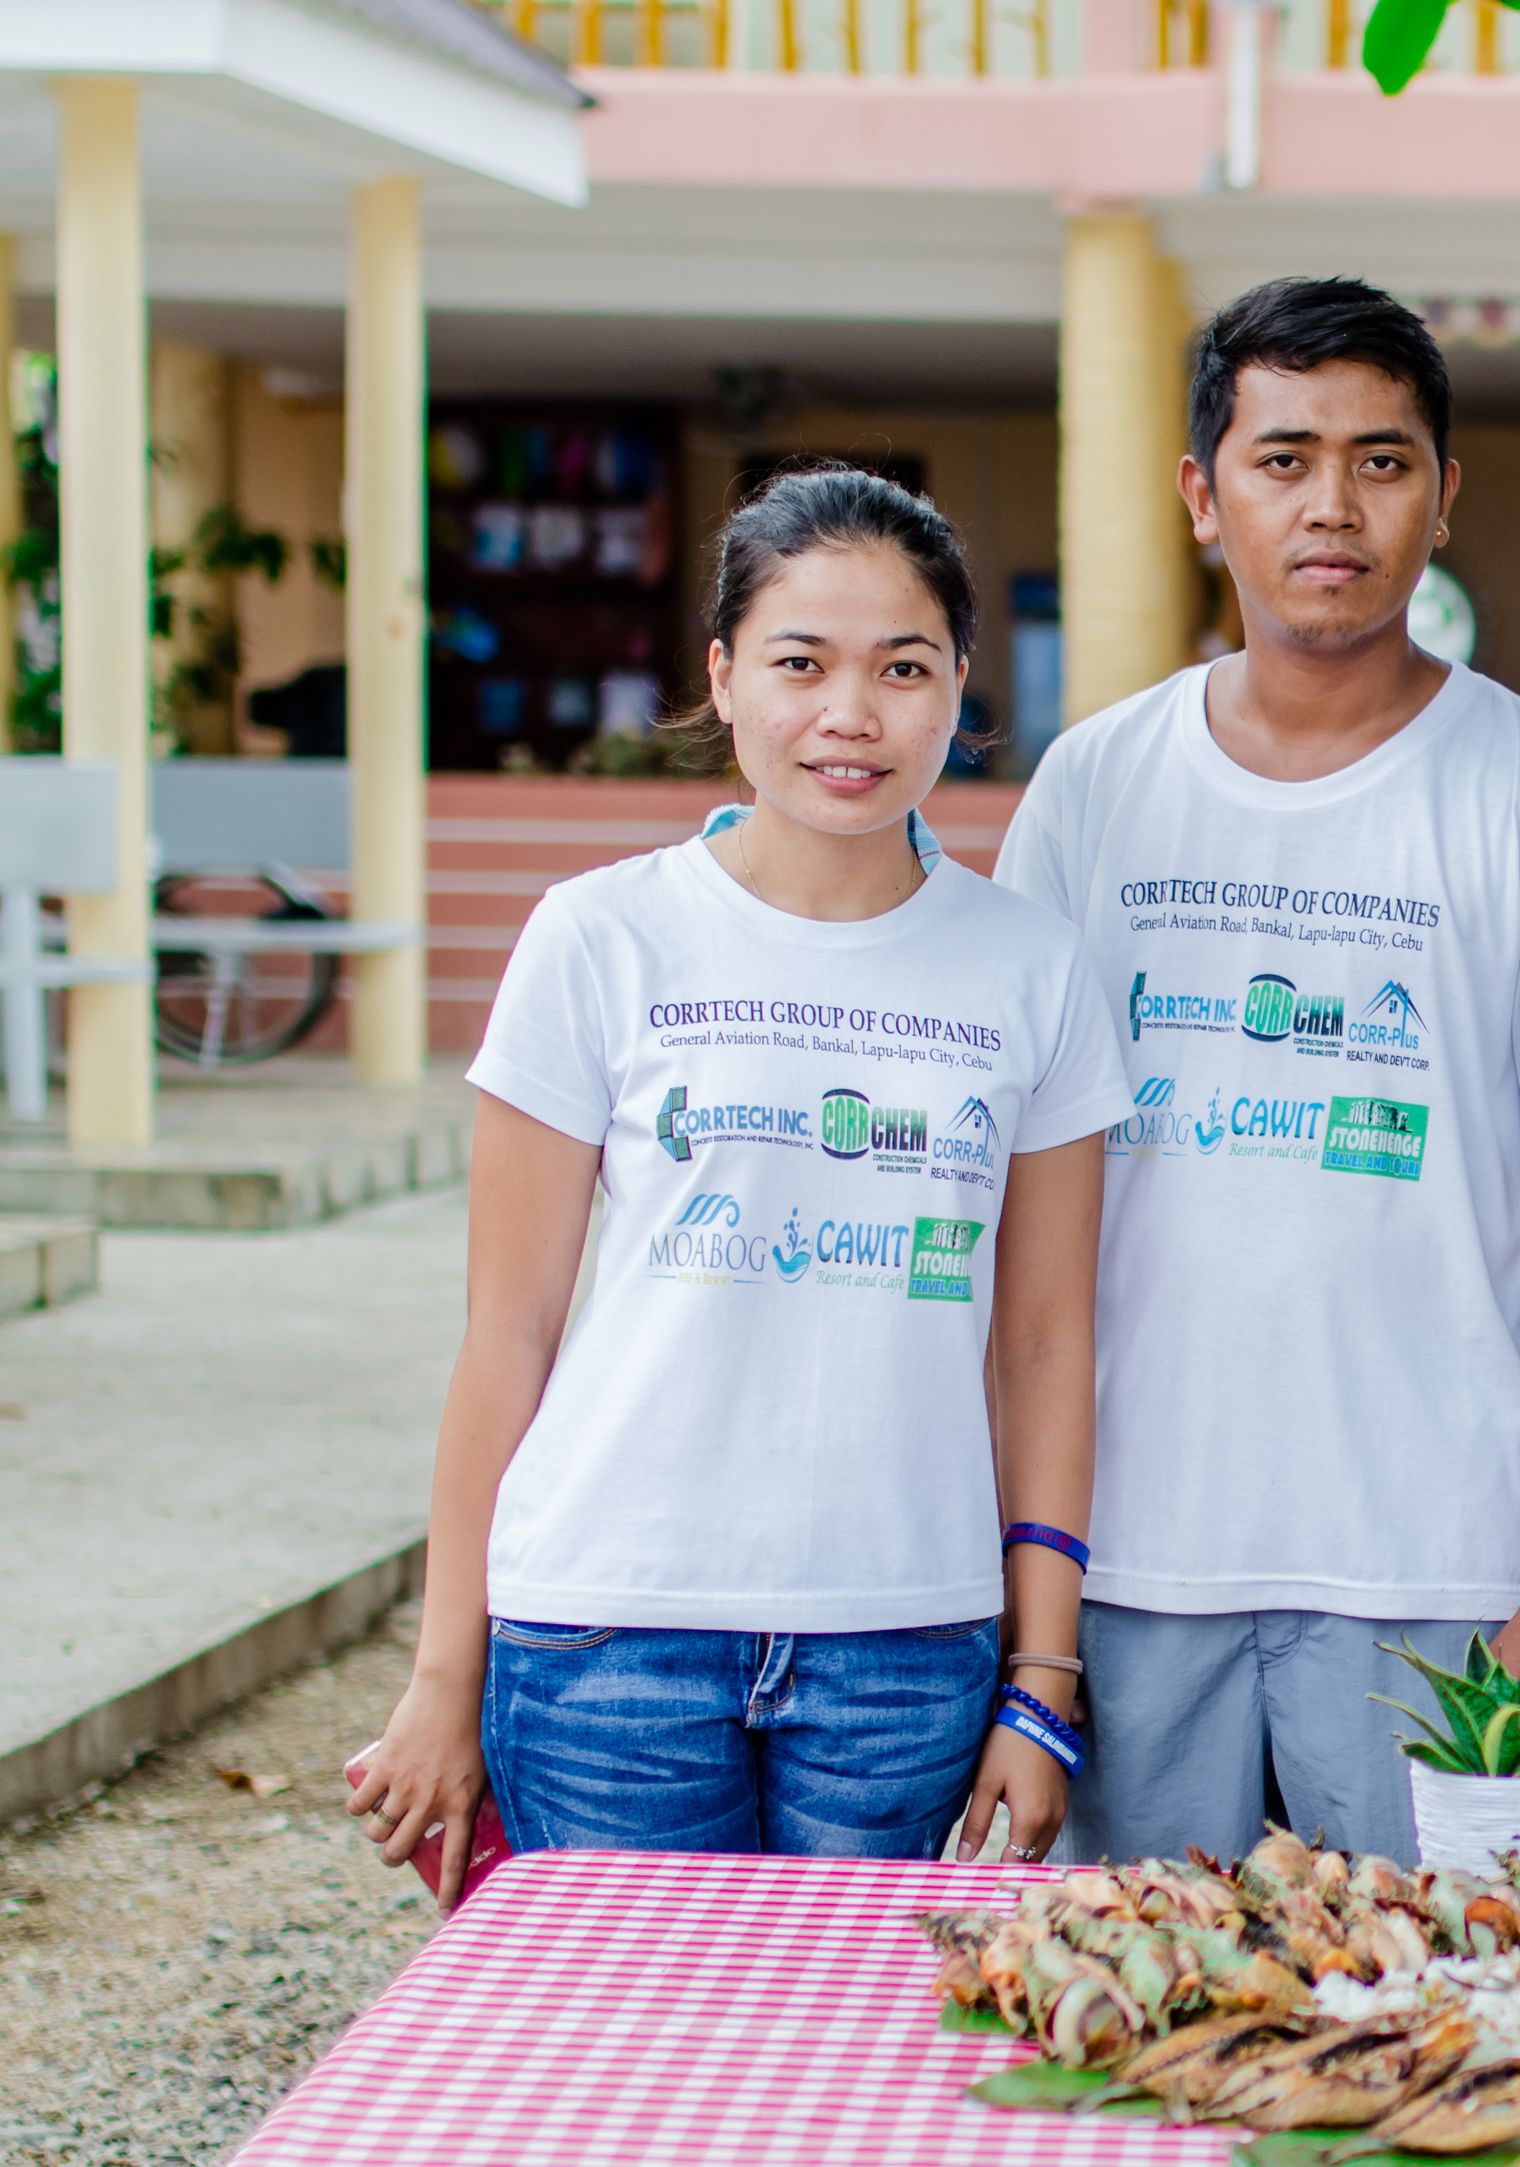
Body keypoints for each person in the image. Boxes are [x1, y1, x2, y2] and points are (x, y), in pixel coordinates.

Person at [997, 277, 1520, 1865]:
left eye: (1383, 462)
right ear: (1203, 495)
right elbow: (1027, 1207)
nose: (1333, 505)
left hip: (1438, 1575)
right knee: (1140, 2035)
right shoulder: (1092, 790)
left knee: (1438, 2032)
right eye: (1284, 459)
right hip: (1130, 1564)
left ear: (1445, 498)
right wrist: (1024, 1581)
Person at [346, 469, 1130, 1902]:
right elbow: (507, 1333)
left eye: (904, 668)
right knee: (618, 2086)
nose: (852, 714)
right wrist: (441, 1680)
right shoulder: (600, 938)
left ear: (963, 680)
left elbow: (1046, 1346)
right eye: (800, 663)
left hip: (906, 1638)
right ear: (721, 676)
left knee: (872, 2087)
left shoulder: (1034, 969)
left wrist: (1041, 1678)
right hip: (605, 1634)